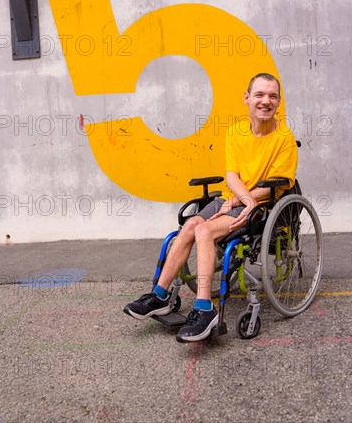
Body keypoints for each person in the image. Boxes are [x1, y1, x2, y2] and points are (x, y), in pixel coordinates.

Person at [123, 73, 298, 343]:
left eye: (273, 96)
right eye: (260, 95)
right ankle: (159, 295)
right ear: (247, 98)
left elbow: (279, 183)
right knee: (191, 224)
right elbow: (231, 177)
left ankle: (205, 309)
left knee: (203, 231)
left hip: (263, 207)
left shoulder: (284, 138)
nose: (266, 101)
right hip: (234, 199)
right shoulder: (236, 132)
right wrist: (241, 198)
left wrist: (247, 201)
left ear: (278, 101)